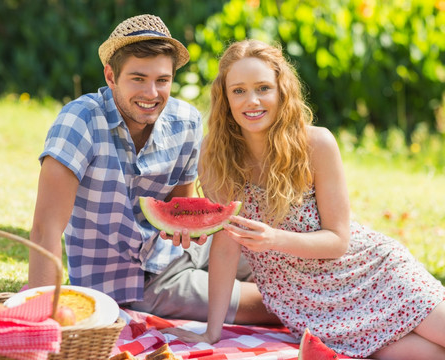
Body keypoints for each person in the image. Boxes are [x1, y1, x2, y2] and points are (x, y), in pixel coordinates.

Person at [163, 39, 445, 359]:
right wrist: (212, 332)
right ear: (225, 98)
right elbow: (225, 245)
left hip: (367, 272)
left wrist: (274, 239)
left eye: (263, 88)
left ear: (282, 91)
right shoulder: (214, 154)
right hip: (303, 301)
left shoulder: (316, 144)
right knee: (436, 356)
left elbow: (338, 241)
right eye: (239, 91)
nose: (252, 101)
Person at [27, 15, 279, 325]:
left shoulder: (185, 121)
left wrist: (191, 231)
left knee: (284, 265)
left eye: (162, 80)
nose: (151, 93)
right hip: (133, 284)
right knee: (275, 304)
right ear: (110, 76)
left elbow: (180, 211)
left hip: (175, 253)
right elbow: (44, 231)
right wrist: (42, 320)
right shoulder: (80, 123)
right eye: (137, 78)